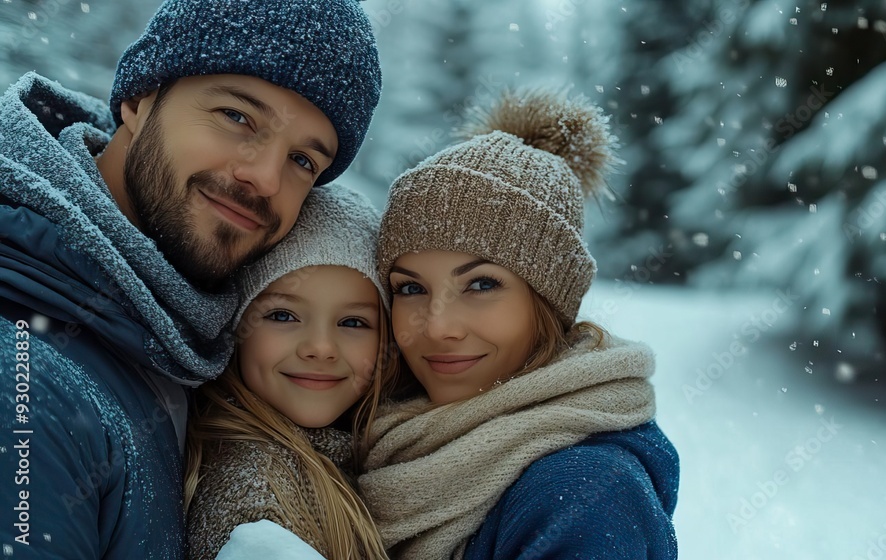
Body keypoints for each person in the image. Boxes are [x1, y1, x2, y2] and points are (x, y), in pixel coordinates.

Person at [0, 0, 380, 556]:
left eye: (303, 161)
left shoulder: (185, 344)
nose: (265, 178)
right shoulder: (27, 388)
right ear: (138, 99)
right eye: (237, 117)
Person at [358, 89, 680, 559]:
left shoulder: (583, 492)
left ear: (548, 301)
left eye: (482, 285)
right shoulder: (387, 438)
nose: (437, 327)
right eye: (410, 288)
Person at [185, 185, 393, 560]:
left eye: (353, 322)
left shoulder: (354, 455)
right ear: (238, 331)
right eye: (283, 315)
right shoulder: (257, 505)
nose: (321, 348)